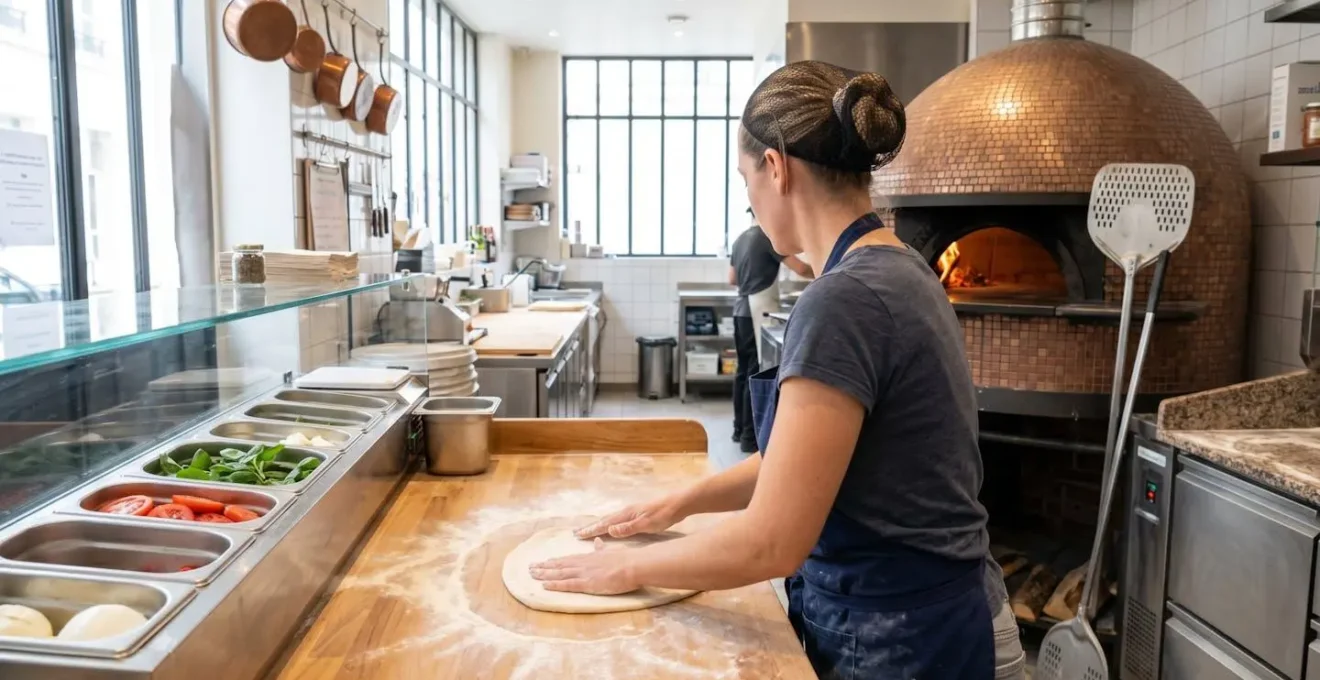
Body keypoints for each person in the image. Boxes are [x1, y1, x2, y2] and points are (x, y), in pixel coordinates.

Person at [529, 61, 1025, 680]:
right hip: (944, 614)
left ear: (777, 166)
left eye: (746, 179)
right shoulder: (904, 268)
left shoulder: (843, 299)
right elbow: (809, 459)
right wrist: (681, 504)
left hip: (897, 638)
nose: (749, 203)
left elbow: (772, 542)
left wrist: (624, 568)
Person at [729, 208, 812, 453]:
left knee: (742, 371)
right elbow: (800, 268)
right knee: (756, 370)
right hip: (758, 310)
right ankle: (749, 437)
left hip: (740, 310)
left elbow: (731, 278)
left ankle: (738, 429)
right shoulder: (767, 238)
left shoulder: (740, 239)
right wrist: (827, 268)